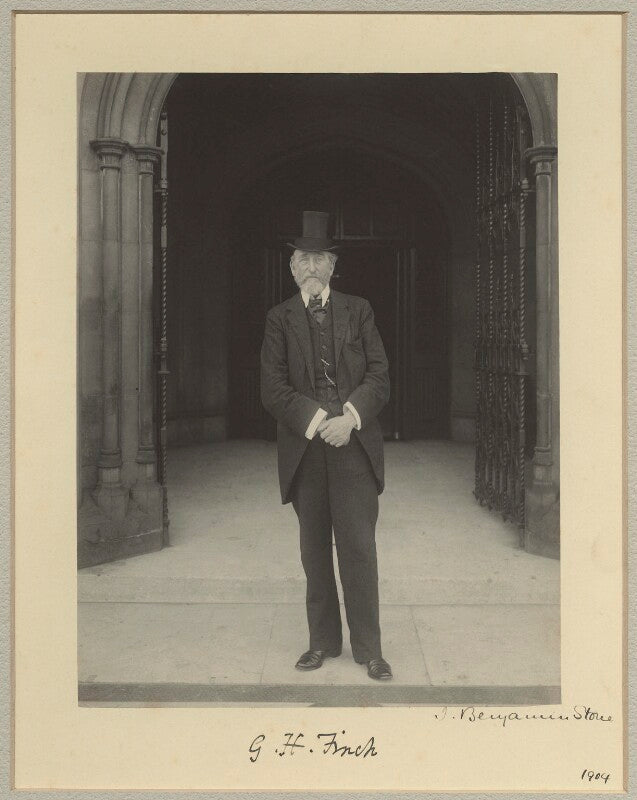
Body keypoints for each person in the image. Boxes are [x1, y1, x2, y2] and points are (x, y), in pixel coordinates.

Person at [260, 210, 392, 681]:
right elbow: (273, 389)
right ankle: (321, 642)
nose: (312, 267)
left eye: (320, 259)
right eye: (304, 259)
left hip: (354, 447)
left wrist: (350, 418)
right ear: (292, 267)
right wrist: (320, 422)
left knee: (359, 550)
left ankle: (370, 650)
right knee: (314, 551)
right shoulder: (279, 319)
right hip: (306, 450)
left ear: (333, 266)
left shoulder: (359, 310)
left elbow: (379, 376)